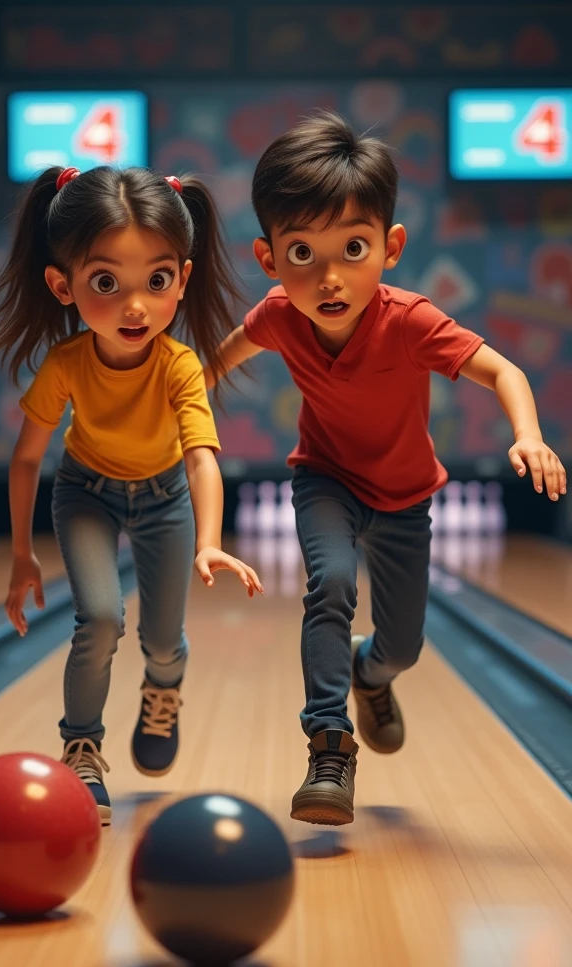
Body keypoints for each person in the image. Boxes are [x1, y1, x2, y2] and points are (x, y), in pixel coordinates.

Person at [205, 111, 566, 826]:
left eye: (354, 248)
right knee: (330, 584)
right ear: (270, 258)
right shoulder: (277, 315)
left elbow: (504, 370)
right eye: (302, 253)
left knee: (403, 646)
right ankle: (329, 744)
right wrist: (170, 412)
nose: (329, 276)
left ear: (391, 247)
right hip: (324, 480)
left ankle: (372, 675)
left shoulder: (411, 321)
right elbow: (212, 366)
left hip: (406, 495)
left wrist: (529, 435)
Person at [0, 165, 262, 824]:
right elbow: (26, 461)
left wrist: (211, 541)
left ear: (181, 280)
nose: (135, 305)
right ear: (64, 285)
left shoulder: (181, 366)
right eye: (107, 282)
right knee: (101, 619)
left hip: (166, 498)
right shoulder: (66, 365)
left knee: (164, 642)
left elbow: (201, 458)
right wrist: (22, 554)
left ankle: (162, 691)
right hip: (86, 494)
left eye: (156, 281)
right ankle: (81, 746)